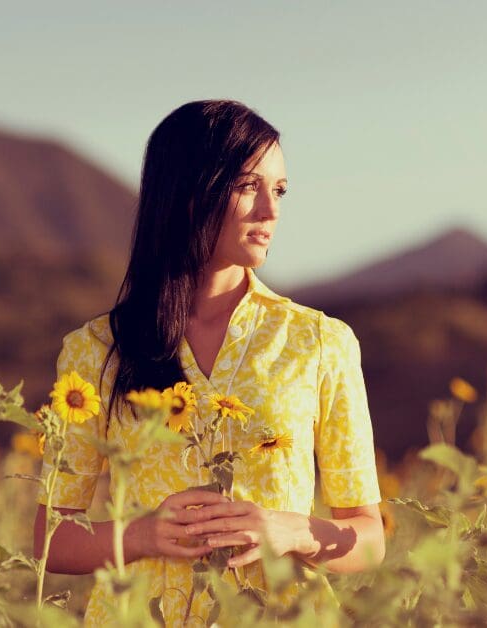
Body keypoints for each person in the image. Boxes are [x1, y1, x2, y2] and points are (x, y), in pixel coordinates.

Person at [32, 99, 384, 625]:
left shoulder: (320, 342)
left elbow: (369, 537)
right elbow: (50, 540)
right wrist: (143, 534)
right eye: (248, 186)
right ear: (189, 193)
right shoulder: (96, 349)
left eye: (280, 190)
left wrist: (288, 530)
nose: (272, 210)